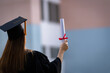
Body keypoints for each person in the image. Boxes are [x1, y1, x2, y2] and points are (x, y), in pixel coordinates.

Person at [0, 16, 68, 73]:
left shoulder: (3, 62)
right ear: (23, 38)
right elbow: (52, 71)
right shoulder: (34, 57)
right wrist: (61, 51)